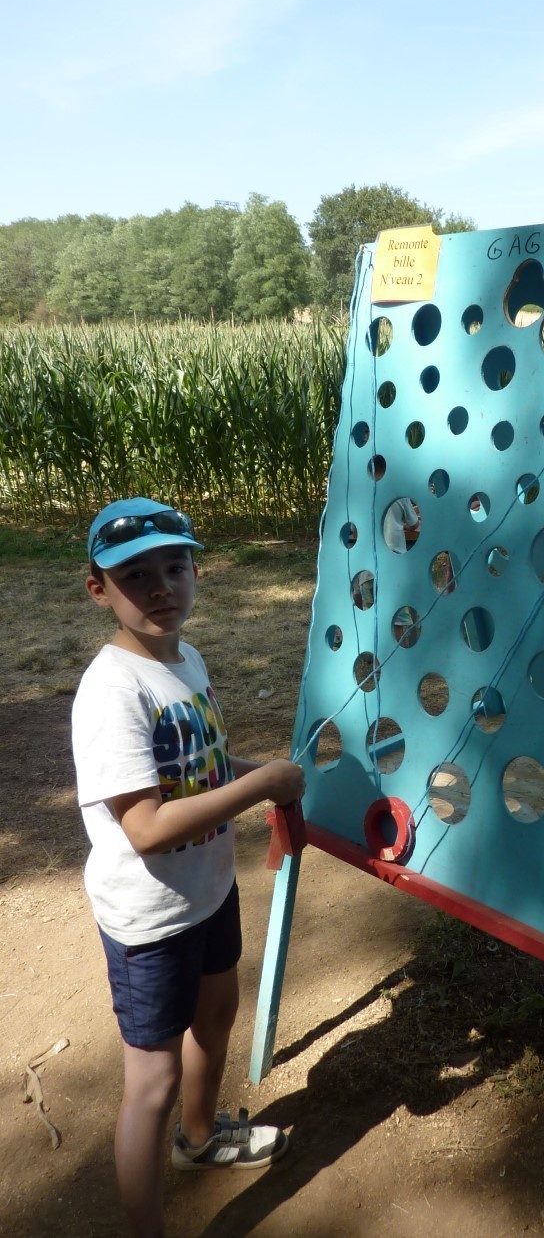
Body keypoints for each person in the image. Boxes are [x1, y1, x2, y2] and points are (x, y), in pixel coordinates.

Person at [72, 497, 304, 1238]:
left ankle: (201, 1139)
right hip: (151, 917)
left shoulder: (186, 660)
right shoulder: (113, 691)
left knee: (218, 1012)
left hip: (209, 890)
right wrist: (259, 786)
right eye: (136, 575)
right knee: (154, 1080)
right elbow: (144, 825)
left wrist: (247, 769)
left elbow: (197, 775)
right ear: (99, 589)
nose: (163, 587)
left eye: (175, 566)